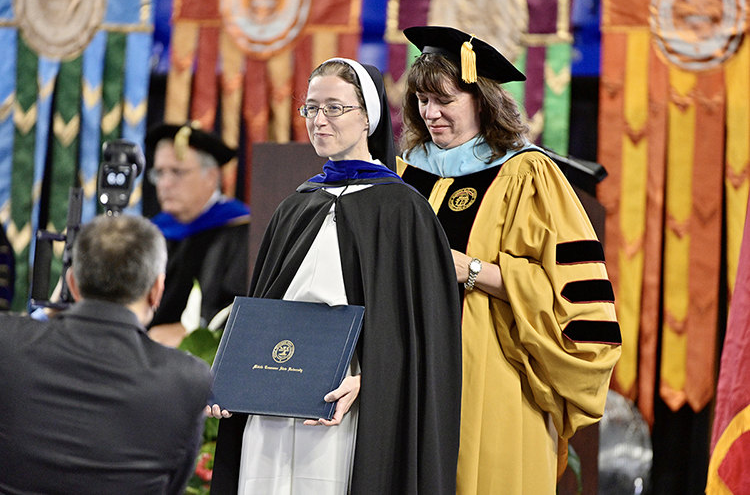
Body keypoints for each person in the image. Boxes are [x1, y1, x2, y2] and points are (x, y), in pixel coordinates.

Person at [208, 58, 462, 495]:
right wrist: (229, 375)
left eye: (334, 107)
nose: (319, 120)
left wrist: (370, 380)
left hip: (342, 407)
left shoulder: (404, 211)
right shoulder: (296, 206)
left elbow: (428, 339)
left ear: (368, 116)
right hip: (270, 404)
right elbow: (263, 314)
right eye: (311, 108)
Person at [397, 26, 622, 494]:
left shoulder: (527, 172)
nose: (430, 114)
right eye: (421, 100)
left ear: (480, 98)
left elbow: (571, 293)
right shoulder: (404, 172)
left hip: (496, 371)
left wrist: (471, 270)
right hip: (408, 369)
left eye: (445, 99)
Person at [0, 214, 212, 495]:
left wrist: (44, 314)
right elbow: (174, 484)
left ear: (72, 284)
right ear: (156, 290)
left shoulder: (8, 342)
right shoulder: (187, 379)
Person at [145, 122, 250, 347]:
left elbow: (236, 308)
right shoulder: (152, 232)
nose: (164, 184)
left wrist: (193, 333)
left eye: (177, 172)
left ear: (211, 177)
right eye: (159, 173)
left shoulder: (240, 230)